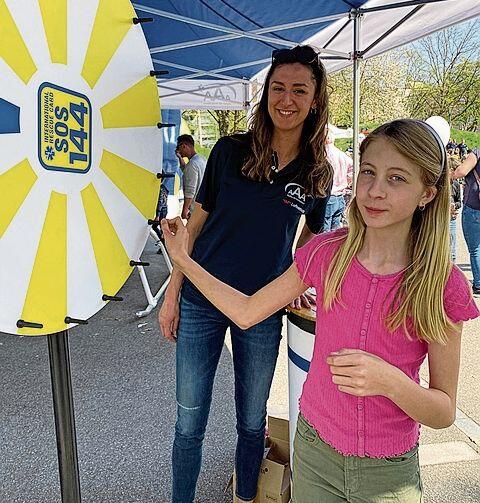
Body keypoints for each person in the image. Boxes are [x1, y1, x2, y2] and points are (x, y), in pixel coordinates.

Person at [161, 119, 479, 503]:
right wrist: (184, 261)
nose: (375, 191)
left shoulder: (441, 285)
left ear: (427, 193)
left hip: (388, 472)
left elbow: (443, 411)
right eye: (368, 173)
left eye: (397, 178)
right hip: (313, 452)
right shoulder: (326, 253)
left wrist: (390, 381)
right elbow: (246, 312)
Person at [158, 45, 332, 503]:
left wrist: (296, 284)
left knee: (253, 421)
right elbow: (193, 226)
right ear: (266, 93)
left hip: (261, 312)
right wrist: (173, 293)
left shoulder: (318, 172)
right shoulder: (229, 150)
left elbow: (310, 242)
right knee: (189, 420)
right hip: (201, 302)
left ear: (315, 99)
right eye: (279, 88)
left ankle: (247, 497)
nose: (287, 99)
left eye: (299, 89)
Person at [453, 147, 480, 297]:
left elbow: (461, 172)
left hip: (474, 207)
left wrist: (450, 175)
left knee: (475, 249)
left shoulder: (477, 153)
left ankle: (479, 284)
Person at [323, 132, 353, 231]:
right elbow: (351, 171)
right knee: (336, 230)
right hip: (340, 196)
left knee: (324, 231)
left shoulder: (324, 155)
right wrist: (346, 182)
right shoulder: (342, 155)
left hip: (329, 195)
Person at [175, 134, 207, 219]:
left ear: (184, 146)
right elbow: (187, 171)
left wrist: (184, 210)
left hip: (194, 210)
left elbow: (190, 191)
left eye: (178, 148)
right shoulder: (201, 159)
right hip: (203, 207)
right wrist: (179, 158)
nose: (178, 151)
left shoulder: (192, 165)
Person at [448, 157, 462, 263]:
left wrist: (454, 205)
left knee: (452, 249)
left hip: (451, 219)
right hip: (440, 219)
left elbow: (459, 202)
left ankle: (451, 274)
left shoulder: (456, 185)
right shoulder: (439, 185)